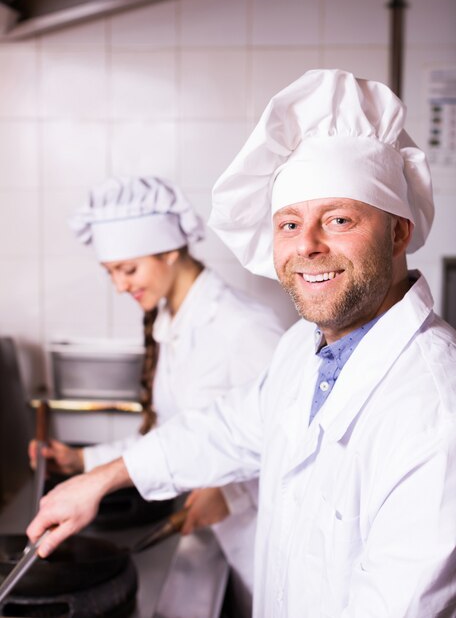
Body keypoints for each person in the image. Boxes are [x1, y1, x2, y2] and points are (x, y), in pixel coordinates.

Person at [28, 70, 456, 617]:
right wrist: (100, 478)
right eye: (289, 224)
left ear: (398, 231)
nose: (308, 246)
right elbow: (228, 428)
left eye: (340, 218)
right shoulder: (305, 350)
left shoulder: (433, 410)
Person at [28, 176, 285, 608]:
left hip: (269, 543)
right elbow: (175, 432)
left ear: (170, 250)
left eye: (128, 270)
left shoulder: (242, 327)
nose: (119, 286)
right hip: (232, 544)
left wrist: (229, 494)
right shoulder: (172, 320)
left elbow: (292, 436)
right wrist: (81, 460)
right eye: (110, 273)